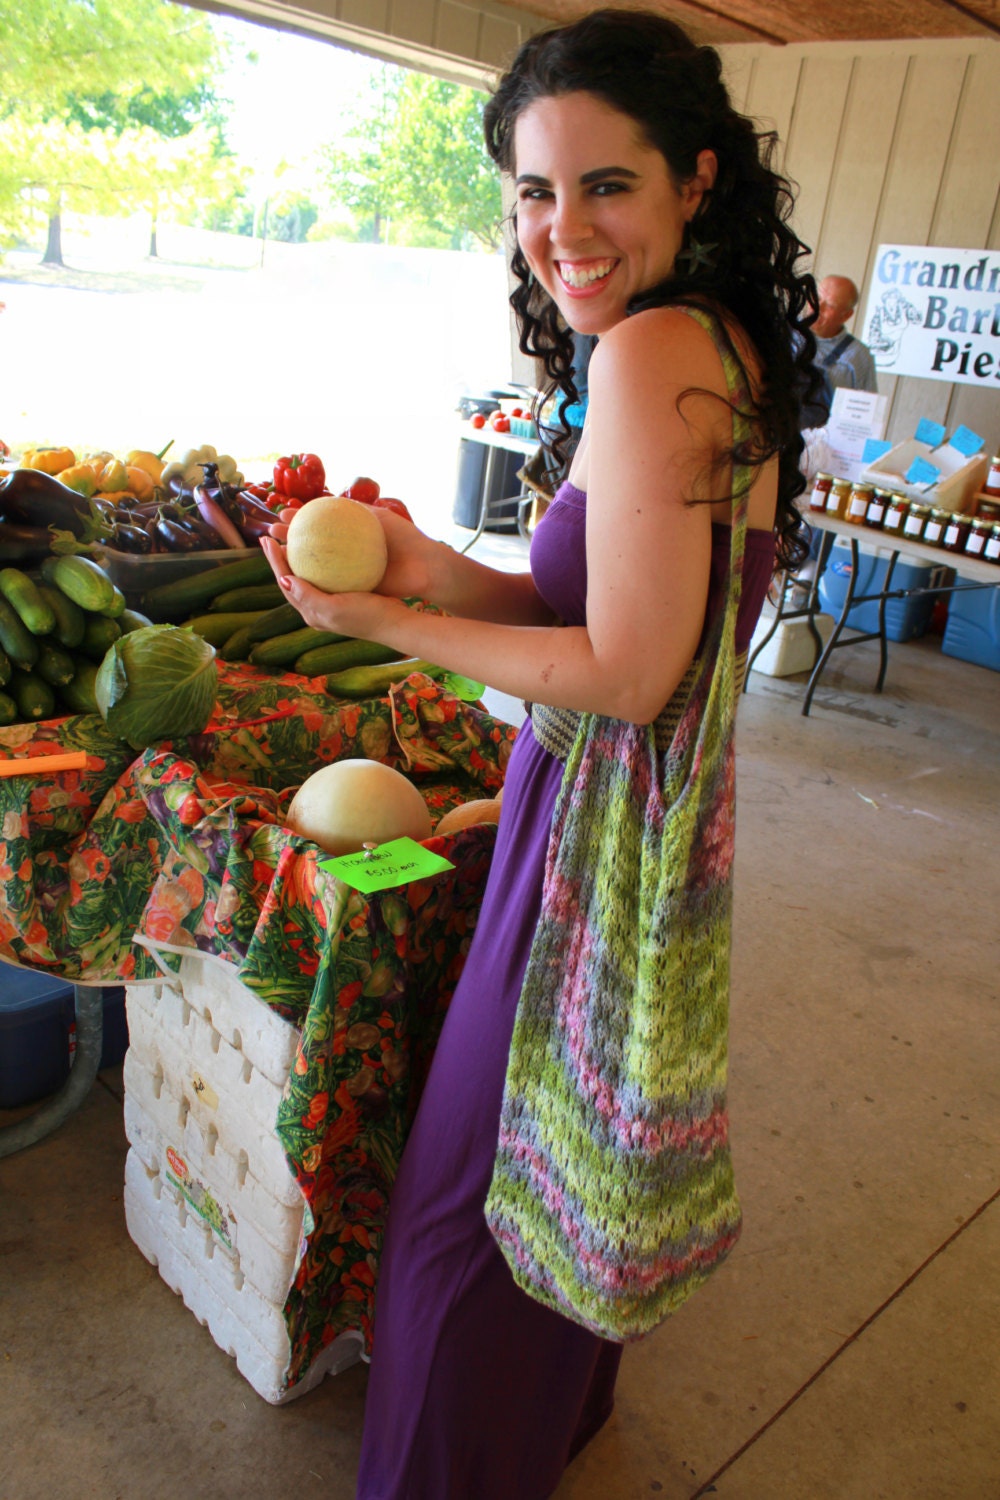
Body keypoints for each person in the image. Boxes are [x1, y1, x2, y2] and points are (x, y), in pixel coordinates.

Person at [262, 11, 815, 1495]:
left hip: (597, 830)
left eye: (603, 185)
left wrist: (391, 627)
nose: (560, 228)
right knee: (569, 1167)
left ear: (696, 179)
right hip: (628, 821)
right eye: (532, 190)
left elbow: (626, 676)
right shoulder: (712, 339)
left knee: (465, 1203)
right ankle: (544, 1430)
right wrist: (430, 571)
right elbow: (598, 610)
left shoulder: (650, 355)